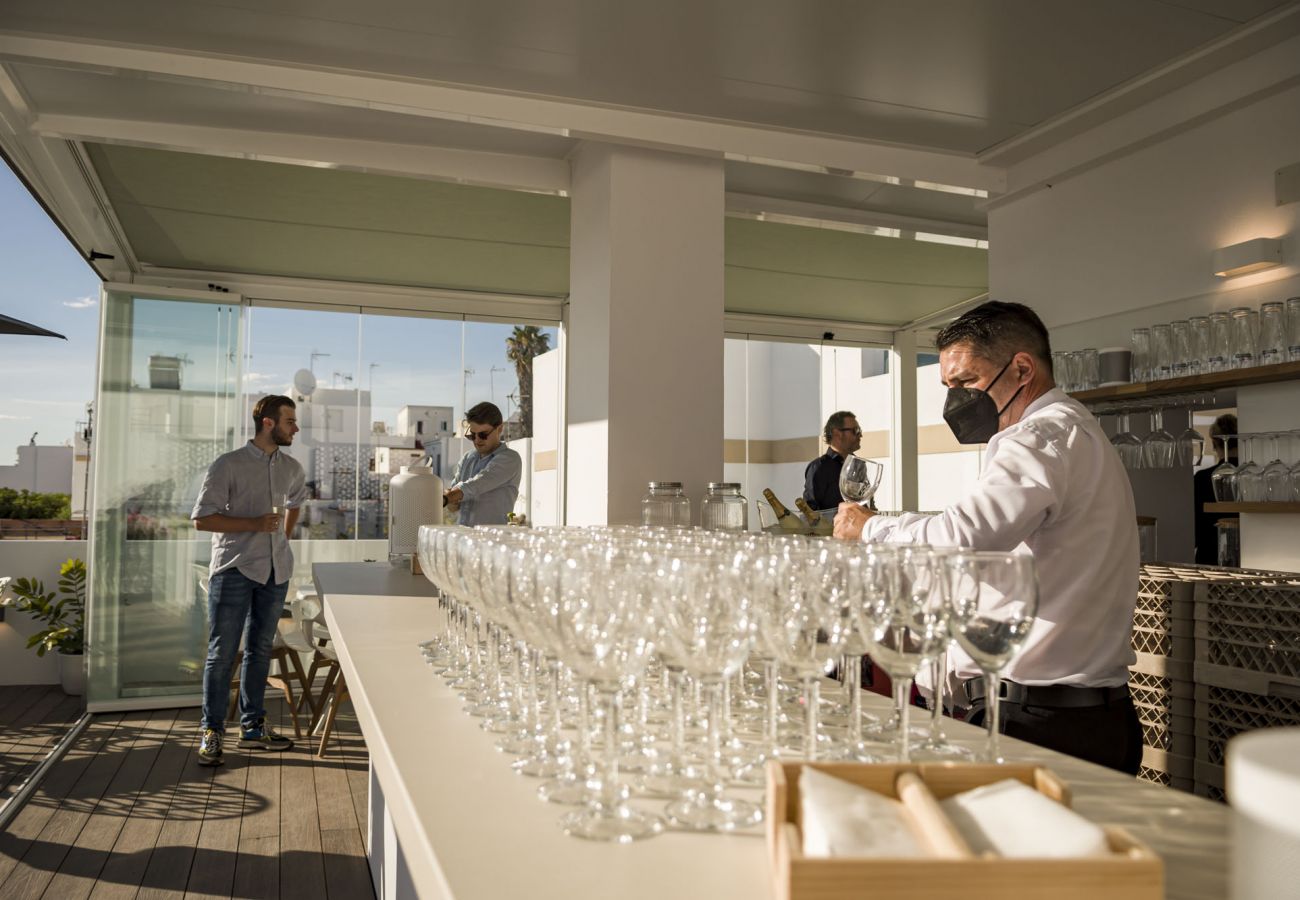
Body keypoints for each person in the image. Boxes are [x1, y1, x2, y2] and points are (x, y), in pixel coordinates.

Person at [834, 301, 1143, 774]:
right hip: (1071, 715)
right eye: (948, 386)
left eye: (967, 382)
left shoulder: (1040, 438)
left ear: (1022, 368)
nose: (955, 399)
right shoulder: (1069, 432)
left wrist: (870, 527)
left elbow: (963, 539)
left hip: (1046, 724)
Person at [191, 395, 308, 767]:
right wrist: (255, 525)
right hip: (235, 570)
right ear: (269, 423)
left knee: (260, 651)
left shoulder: (292, 467)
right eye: (290, 421)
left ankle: (253, 727)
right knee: (221, 654)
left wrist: (282, 538)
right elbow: (202, 519)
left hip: (276, 571)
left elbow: (295, 503)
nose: (296, 428)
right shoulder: (228, 465)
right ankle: (212, 731)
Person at [444, 401, 522, 526]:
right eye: (472, 435)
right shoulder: (467, 458)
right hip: (464, 538)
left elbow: (478, 484)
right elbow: (453, 506)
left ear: (499, 429)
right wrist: (451, 500)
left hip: (492, 540)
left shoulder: (510, 458)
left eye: (483, 435)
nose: (477, 440)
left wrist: (448, 497)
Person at [1193, 413, 1238, 565]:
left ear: (1214, 444)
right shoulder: (1251, 476)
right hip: (1248, 554)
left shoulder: (1202, 478)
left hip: (1209, 557)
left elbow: (1195, 528)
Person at [803, 411, 861, 512]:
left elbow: (864, 503)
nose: (860, 435)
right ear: (837, 433)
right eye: (855, 430)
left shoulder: (859, 465)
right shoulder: (819, 467)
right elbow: (810, 511)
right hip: (831, 528)